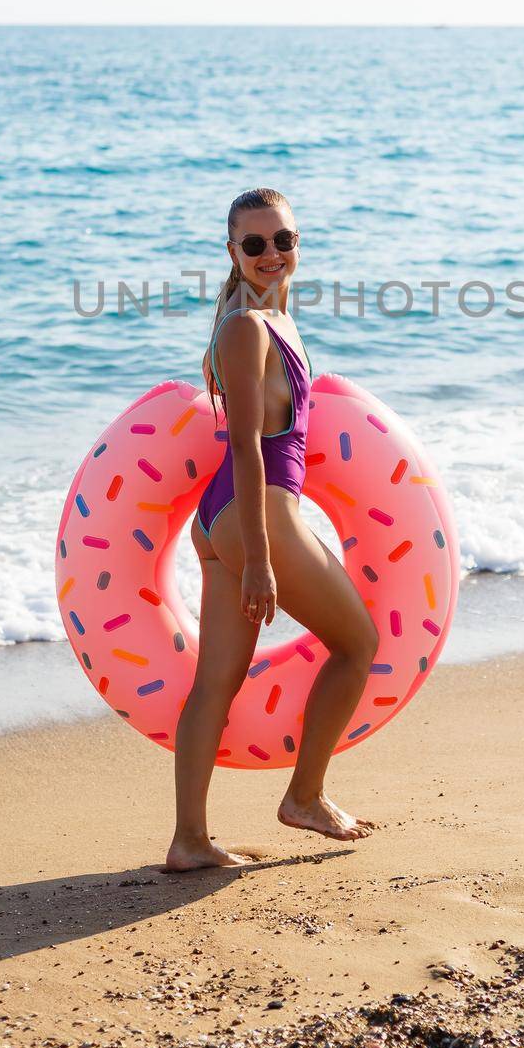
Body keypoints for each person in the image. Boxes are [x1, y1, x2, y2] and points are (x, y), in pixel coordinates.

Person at [165, 187, 379, 871]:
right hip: (255, 517)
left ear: (297, 243)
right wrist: (257, 559)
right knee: (357, 644)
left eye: (281, 239)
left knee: (214, 683)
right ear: (230, 250)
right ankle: (304, 798)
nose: (269, 253)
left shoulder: (271, 318)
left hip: (230, 518)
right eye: (253, 243)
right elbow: (247, 448)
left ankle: (190, 843)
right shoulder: (245, 329)